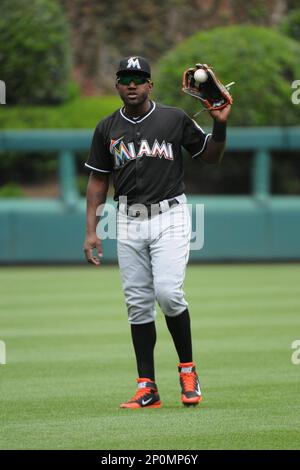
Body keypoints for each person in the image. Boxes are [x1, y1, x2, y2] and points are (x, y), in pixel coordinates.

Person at [84, 56, 231, 408]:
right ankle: (147, 387)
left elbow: (210, 156)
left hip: (171, 215)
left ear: (150, 85)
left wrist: (221, 126)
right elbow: (98, 180)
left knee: (167, 293)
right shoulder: (106, 128)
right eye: (125, 78)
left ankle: (188, 371)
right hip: (128, 218)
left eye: (138, 78)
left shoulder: (173, 119)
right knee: (137, 306)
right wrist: (92, 230)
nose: (131, 84)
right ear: (117, 85)